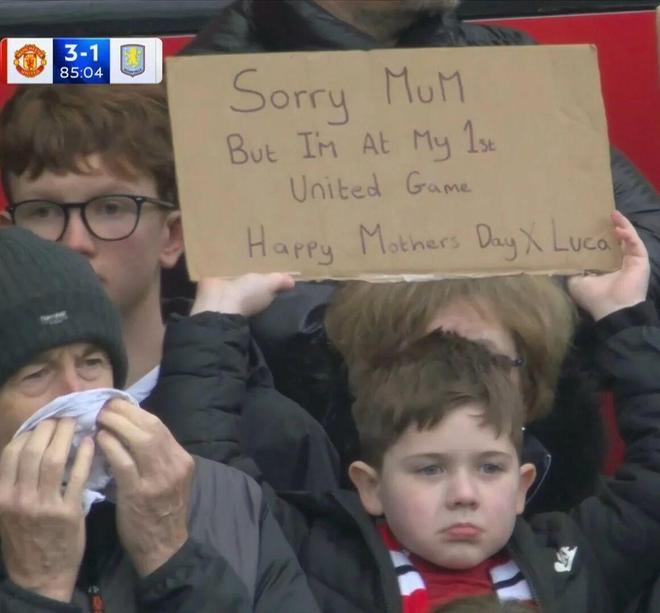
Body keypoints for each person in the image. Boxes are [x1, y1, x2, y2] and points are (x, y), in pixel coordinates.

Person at [165, 212, 660, 611]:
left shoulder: (573, 560)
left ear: (521, 484)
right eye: (430, 469)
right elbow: (206, 477)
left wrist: (622, 315)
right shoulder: (315, 556)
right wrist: (218, 314)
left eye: (490, 468)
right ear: (370, 484)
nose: (464, 494)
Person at [0, 83, 340, 493]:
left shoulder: (271, 430)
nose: (75, 242)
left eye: (111, 208)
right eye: (43, 212)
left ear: (172, 236)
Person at [0, 226, 320, 612]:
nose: (75, 391)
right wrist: (39, 589)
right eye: (36, 375)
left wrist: (170, 556)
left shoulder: (224, 498)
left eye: (91, 362)